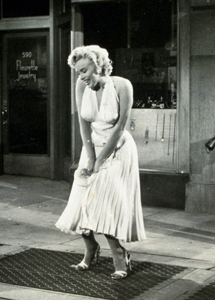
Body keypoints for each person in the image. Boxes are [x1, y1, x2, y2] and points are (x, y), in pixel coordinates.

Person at [55, 45, 146, 279]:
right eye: (78, 72)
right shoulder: (80, 86)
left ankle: (118, 254)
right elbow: (83, 125)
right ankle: (91, 248)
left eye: (84, 70)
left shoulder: (122, 85)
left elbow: (121, 126)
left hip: (118, 150)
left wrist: (101, 159)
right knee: (81, 201)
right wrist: (90, 158)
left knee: (105, 203)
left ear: (99, 65)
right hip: (91, 148)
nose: (81, 76)